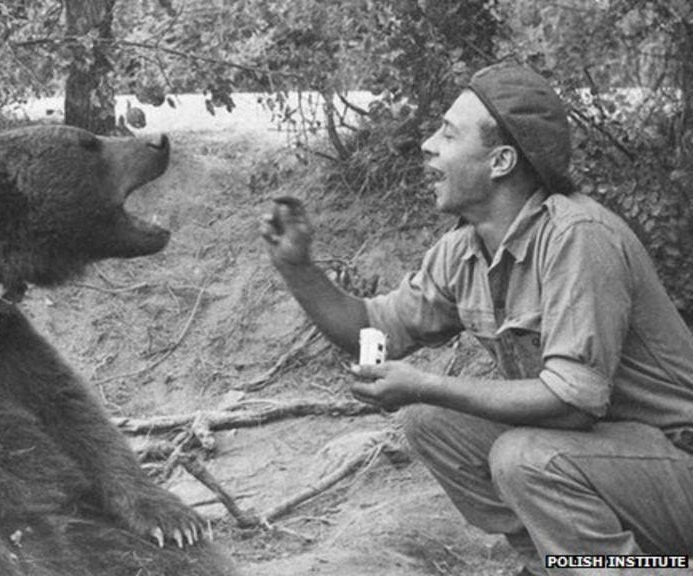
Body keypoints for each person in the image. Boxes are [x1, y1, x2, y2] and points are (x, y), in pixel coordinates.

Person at [259, 63, 693, 574]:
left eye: (447, 133)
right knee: (432, 424)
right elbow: (372, 331)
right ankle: (556, 563)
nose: (427, 145)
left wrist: (424, 384)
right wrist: (298, 267)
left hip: (675, 465)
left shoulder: (579, 235)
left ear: (502, 160)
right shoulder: (464, 251)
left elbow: (572, 405)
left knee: (525, 457)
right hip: (607, 462)